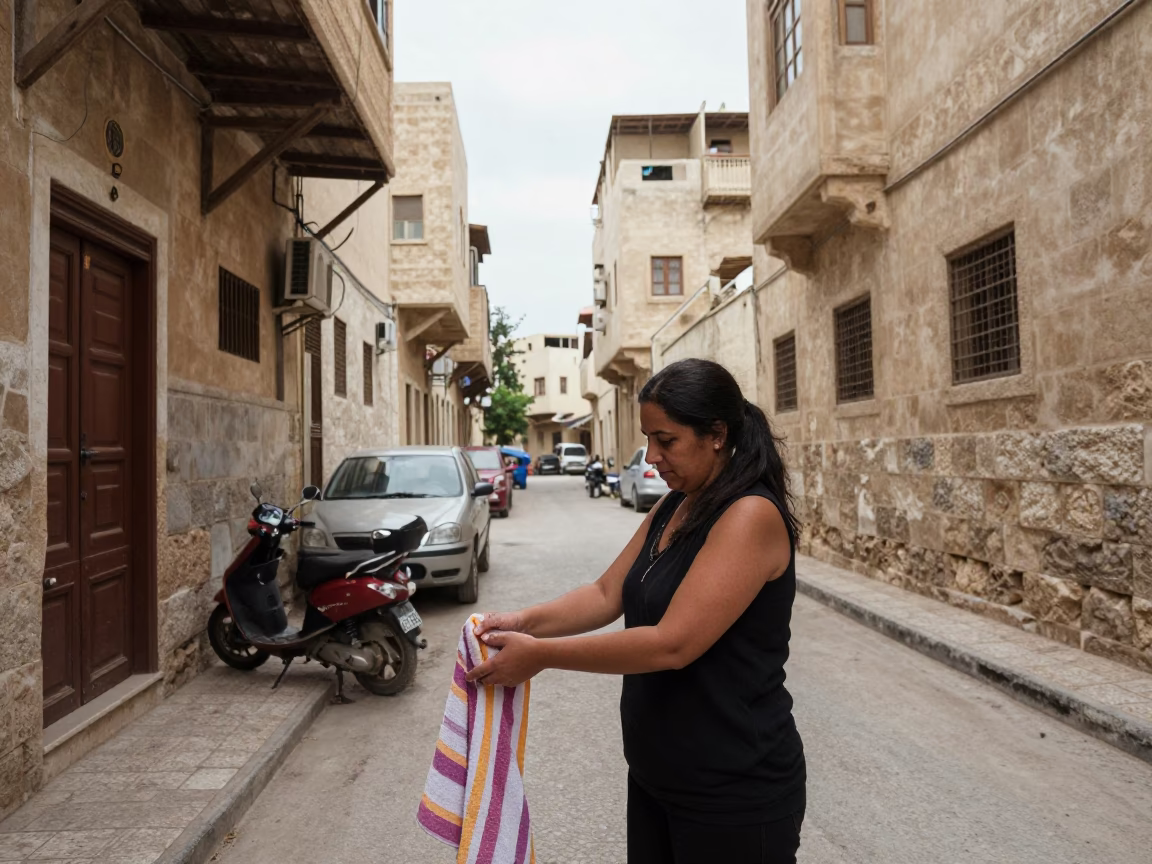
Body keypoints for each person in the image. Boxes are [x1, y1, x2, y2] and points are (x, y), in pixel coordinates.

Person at [468, 358, 805, 864]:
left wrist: (541, 656)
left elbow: (673, 644)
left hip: (733, 793)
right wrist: (523, 621)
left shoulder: (748, 515)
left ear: (716, 434)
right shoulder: (675, 505)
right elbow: (607, 593)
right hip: (659, 779)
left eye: (665, 441)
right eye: (649, 439)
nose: (651, 457)